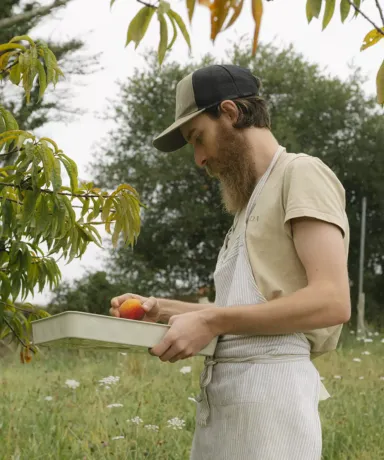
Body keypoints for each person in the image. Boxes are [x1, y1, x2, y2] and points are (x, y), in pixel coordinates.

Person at [110, 64, 351, 460]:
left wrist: (210, 321)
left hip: (272, 399)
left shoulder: (301, 173)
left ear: (230, 113)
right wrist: (161, 310)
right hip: (227, 400)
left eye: (198, 138)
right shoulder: (247, 207)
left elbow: (332, 301)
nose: (198, 159)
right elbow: (243, 313)